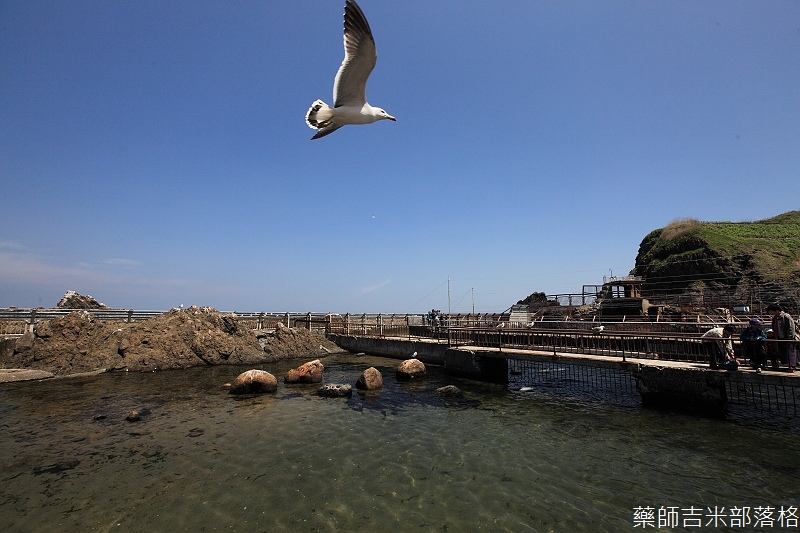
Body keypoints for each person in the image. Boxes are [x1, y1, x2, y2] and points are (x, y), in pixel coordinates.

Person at [767, 304, 797, 372]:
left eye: (772, 311)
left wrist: (790, 338)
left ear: (777, 310)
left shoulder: (786, 316)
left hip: (788, 338)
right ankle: (787, 366)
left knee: (790, 352)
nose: (771, 313)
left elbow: (791, 328)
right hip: (779, 338)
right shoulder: (775, 318)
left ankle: (792, 367)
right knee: (783, 352)